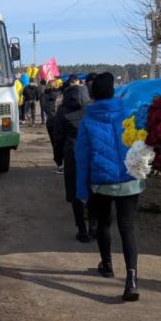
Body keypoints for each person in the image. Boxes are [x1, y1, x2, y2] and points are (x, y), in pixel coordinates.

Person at [75, 72, 144, 302]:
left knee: (103, 224)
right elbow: (139, 147)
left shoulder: (87, 120)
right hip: (129, 180)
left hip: (101, 183)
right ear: (113, 92)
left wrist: (81, 192)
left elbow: (82, 159)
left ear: (93, 94)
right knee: (127, 228)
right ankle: (131, 279)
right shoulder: (128, 114)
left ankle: (107, 265)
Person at [54, 78, 96, 242]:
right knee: (93, 189)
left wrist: (58, 158)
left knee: (75, 191)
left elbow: (58, 137)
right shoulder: (91, 109)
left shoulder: (62, 111)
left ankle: (82, 229)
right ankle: (93, 226)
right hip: (91, 152)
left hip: (71, 152)